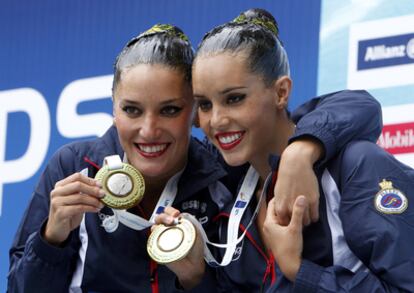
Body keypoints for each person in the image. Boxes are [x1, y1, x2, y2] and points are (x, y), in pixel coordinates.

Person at [8, 21, 381, 293]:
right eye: (132, 110)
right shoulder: (74, 168)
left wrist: (302, 151)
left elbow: (358, 104)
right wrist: (51, 239)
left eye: (170, 110)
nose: (149, 130)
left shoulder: (224, 177)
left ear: (194, 113)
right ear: (113, 108)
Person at [187, 8, 413, 293]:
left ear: (281, 93)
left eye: (234, 99)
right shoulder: (230, 194)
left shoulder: (355, 166)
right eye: (205, 105)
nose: (216, 120)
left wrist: (299, 270)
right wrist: (193, 278)